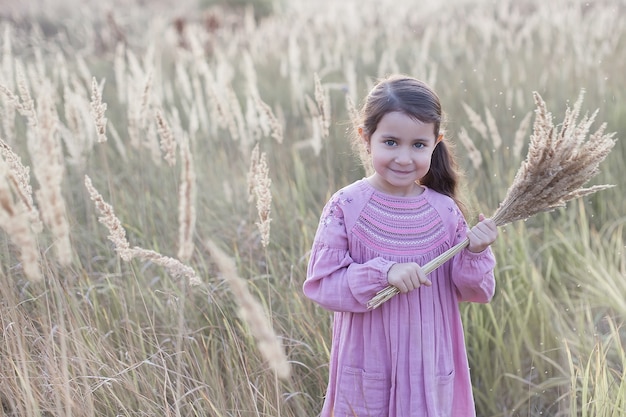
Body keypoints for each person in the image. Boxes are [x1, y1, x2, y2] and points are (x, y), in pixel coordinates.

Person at [303, 74, 498, 417]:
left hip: (427, 368)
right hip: (366, 366)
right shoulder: (346, 206)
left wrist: (476, 252)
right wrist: (384, 274)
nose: (404, 158)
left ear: (435, 143)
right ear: (366, 138)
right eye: (391, 142)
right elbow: (322, 284)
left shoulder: (444, 211)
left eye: (418, 145)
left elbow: (476, 291)